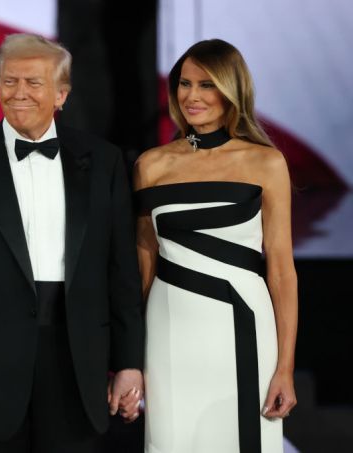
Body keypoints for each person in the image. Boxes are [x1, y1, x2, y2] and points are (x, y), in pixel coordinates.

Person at [0, 33, 144, 453]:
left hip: (79, 365)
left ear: (62, 94)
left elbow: (121, 270)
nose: (19, 93)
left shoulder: (104, 162)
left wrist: (129, 363)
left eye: (34, 83)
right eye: (9, 81)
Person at [129, 39, 298, 452]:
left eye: (206, 85)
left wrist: (285, 368)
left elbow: (280, 269)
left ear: (230, 90)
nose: (191, 96)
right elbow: (144, 261)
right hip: (169, 332)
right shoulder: (151, 165)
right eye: (184, 84)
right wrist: (128, 357)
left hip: (243, 331)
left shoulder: (266, 162)